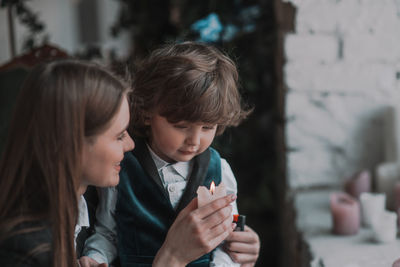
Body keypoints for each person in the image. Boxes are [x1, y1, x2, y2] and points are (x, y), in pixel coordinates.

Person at [0, 59, 236, 267]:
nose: (132, 145)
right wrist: (172, 258)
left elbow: (233, 229)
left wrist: (238, 243)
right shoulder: (26, 250)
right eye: (119, 135)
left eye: (207, 127)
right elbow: (108, 234)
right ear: (72, 142)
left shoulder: (77, 214)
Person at [82, 41, 260, 266]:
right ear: (147, 112)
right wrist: (95, 257)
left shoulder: (219, 169)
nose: (194, 141)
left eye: (207, 128)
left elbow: (228, 237)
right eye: (181, 126)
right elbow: (108, 233)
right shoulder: (120, 168)